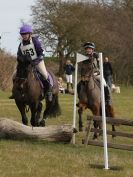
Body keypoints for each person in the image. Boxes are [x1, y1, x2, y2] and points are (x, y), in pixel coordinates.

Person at [9, 24, 52, 101]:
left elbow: (41, 54)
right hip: (25, 63)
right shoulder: (21, 44)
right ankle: (15, 92)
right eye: (22, 34)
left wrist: (36, 61)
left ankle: (49, 91)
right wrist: (21, 60)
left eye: (25, 34)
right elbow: (19, 54)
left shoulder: (35, 41)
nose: (24, 35)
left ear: (30, 34)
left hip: (37, 61)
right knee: (14, 75)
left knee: (44, 74)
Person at [77, 42, 111, 106]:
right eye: (87, 49)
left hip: (96, 74)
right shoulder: (83, 57)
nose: (88, 50)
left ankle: (107, 99)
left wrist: (98, 70)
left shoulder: (96, 55)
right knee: (78, 85)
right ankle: (80, 99)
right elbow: (82, 67)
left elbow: (100, 65)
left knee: (104, 84)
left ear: (92, 50)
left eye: (89, 49)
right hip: (87, 75)